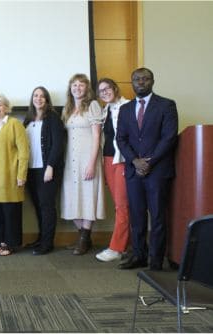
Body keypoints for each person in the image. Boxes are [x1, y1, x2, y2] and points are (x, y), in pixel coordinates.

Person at [116, 68, 178, 271]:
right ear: (131, 83)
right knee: (137, 215)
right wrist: (134, 160)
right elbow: (121, 139)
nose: (141, 82)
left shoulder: (166, 105)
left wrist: (149, 162)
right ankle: (139, 255)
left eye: (145, 79)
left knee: (158, 216)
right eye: (136, 79)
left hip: (158, 171)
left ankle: (156, 260)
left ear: (152, 81)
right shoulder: (125, 109)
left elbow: (169, 137)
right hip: (134, 171)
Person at [60, 74, 105, 255]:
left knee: (88, 196)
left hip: (88, 159)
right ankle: (83, 238)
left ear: (87, 89)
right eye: (74, 85)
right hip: (71, 160)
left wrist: (92, 163)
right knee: (73, 198)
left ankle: (84, 239)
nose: (77, 88)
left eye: (81, 85)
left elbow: (97, 136)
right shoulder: (68, 109)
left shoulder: (92, 106)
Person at [0, 93, 29, 256]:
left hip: (10, 175)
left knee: (10, 212)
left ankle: (11, 244)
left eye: (0, 104)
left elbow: (24, 152)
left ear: (6, 108)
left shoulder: (15, 124)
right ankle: (0, 242)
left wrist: (21, 174)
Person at [23, 87, 65, 255]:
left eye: (42, 96)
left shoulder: (53, 118)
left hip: (47, 170)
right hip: (31, 170)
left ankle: (47, 243)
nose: (38, 98)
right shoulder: (28, 119)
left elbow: (57, 145)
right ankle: (41, 238)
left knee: (47, 206)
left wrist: (50, 166)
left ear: (47, 100)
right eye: (35, 95)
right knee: (38, 206)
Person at [95, 78, 131, 262]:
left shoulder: (128, 106)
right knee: (120, 205)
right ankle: (125, 245)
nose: (105, 92)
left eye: (107, 88)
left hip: (123, 161)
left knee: (122, 205)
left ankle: (116, 248)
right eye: (101, 91)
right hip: (108, 160)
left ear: (115, 88)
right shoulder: (105, 110)